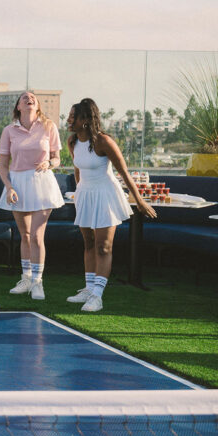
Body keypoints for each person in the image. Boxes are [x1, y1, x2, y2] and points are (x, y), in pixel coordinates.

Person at [66, 98, 155, 312]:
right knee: (88, 243)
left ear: (85, 120)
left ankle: (97, 296)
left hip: (106, 195)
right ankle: (88, 289)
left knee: (103, 246)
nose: (68, 120)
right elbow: (78, 169)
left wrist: (139, 201)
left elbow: (124, 172)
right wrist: (79, 193)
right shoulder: (72, 142)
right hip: (85, 195)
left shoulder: (104, 142)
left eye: (73, 117)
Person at [0, 91, 65, 300]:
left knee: (37, 236)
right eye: (24, 97)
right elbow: (2, 166)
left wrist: (49, 163)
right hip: (17, 184)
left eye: (33, 97)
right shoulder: (9, 130)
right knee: (25, 236)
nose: (29, 98)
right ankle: (26, 278)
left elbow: (57, 159)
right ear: (18, 106)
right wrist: (9, 187)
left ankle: (37, 282)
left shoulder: (48, 126)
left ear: (37, 106)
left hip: (42, 183)